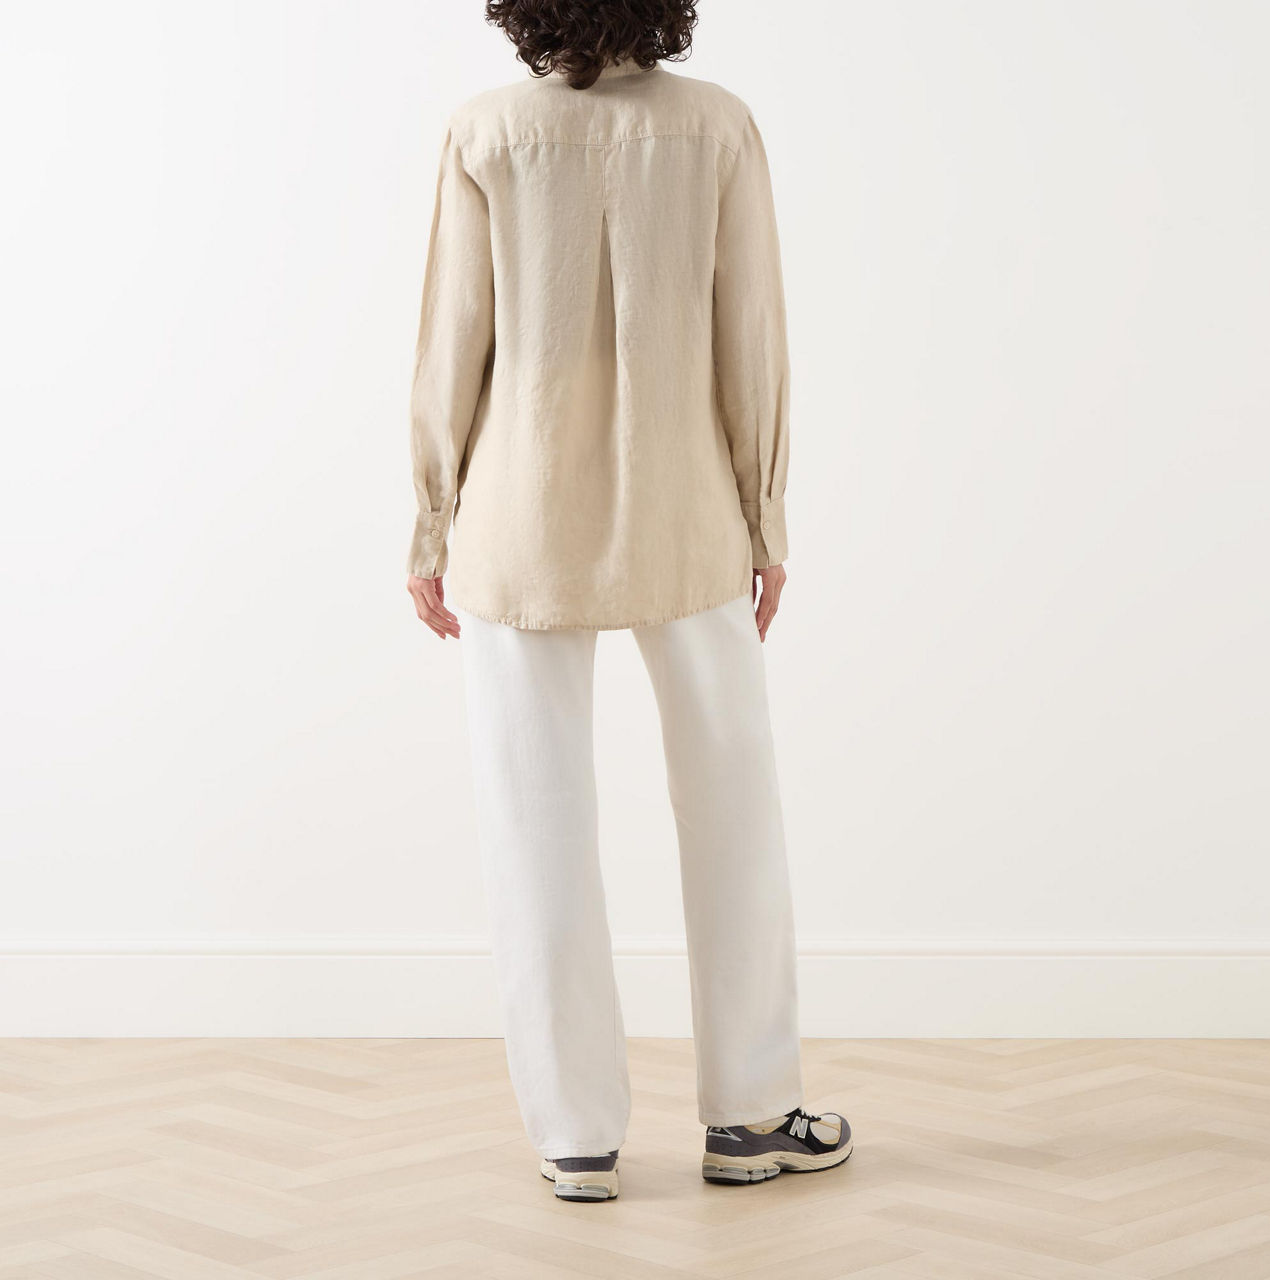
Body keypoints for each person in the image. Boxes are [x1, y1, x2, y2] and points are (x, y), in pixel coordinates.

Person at [404, 0, 850, 1201]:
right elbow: (750, 335)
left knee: (532, 819)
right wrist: (763, 514)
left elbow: (452, 342)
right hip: (686, 509)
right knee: (732, 807)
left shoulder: (484, 130)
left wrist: (433, 518)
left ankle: (574, 1134)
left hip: (516, 519)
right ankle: (750, 1114)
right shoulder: (717, 126)